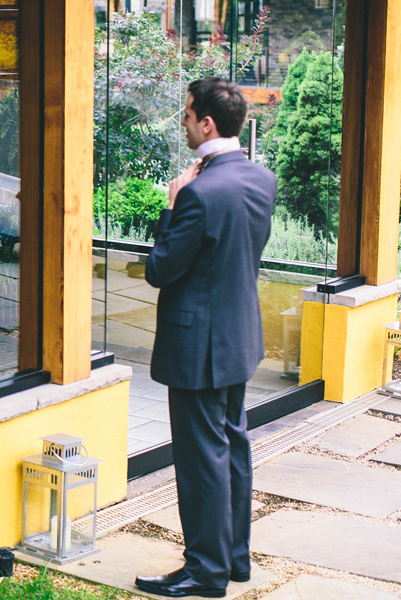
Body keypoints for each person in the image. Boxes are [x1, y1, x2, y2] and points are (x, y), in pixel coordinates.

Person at [134, 77, 276, 598]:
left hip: (197, 346)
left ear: (208, 123)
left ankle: (205, 573)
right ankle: (234, 560)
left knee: (200, 460)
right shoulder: (262, 179)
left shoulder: (197, 192)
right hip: (239, 337)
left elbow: (161, 269)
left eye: (188, 115)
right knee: (232, 447)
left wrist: (172, 203)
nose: (185, 123)